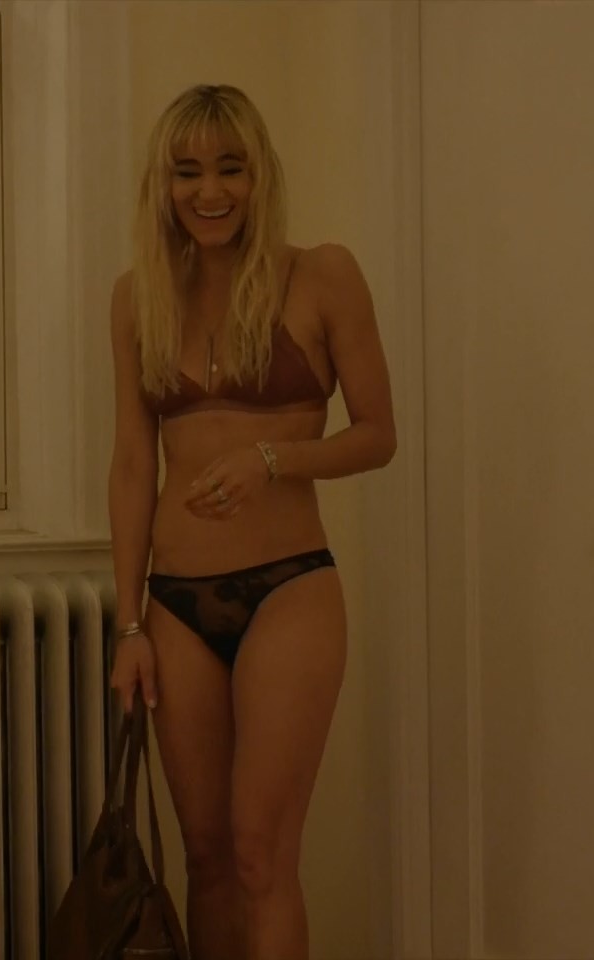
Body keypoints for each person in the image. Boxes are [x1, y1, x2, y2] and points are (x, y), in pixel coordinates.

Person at [105, 83, 397, 960]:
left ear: (259, 175)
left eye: (230, 168)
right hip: (174, 606)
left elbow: (378, 435)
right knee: (205, 860)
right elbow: (132, 466)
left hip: (288, 590)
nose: (210, 191)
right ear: (163, 184)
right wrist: (128, 623)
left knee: (262, 855)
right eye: (188, 172)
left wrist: (272, 459)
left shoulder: (323, 275)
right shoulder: (138, 298)